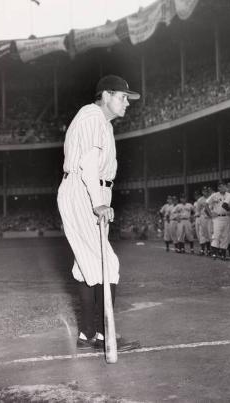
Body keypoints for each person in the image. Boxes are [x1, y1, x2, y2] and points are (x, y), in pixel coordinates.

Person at [57, 74, 140, 349]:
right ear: (105, 95)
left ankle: (87, 333)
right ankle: (105, 337)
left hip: (89, 189)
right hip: (84, 189)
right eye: (122, 96)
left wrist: (101, 196)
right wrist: (97, 202)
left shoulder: (101, 123)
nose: (127, 103)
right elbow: (89, 163)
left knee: (85, 267)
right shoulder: (92, 116)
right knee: (108, 264)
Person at [206, 181, 230, 260]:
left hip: (227, 217)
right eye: (220, 186)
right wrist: (210, 214)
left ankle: (223, 254)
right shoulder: (214, 195)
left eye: (224, 186)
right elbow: (206, 204)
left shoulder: (229, 195)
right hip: (217, 217)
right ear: (218, 188)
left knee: (225, 236)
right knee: (216, 235)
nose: (222, 188)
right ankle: (214, 253)